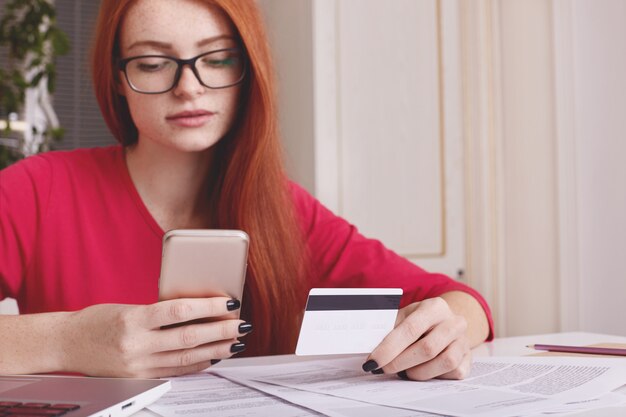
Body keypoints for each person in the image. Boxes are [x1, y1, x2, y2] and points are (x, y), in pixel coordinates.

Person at [0, 0, 493, 379]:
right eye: (152, 64)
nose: (188, 87)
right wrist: (69, 340)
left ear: (247, 71)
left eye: (216, 59)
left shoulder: (284, 210)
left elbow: (462, 302)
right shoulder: (36, 190)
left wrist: (445, 330)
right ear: (118, 81)